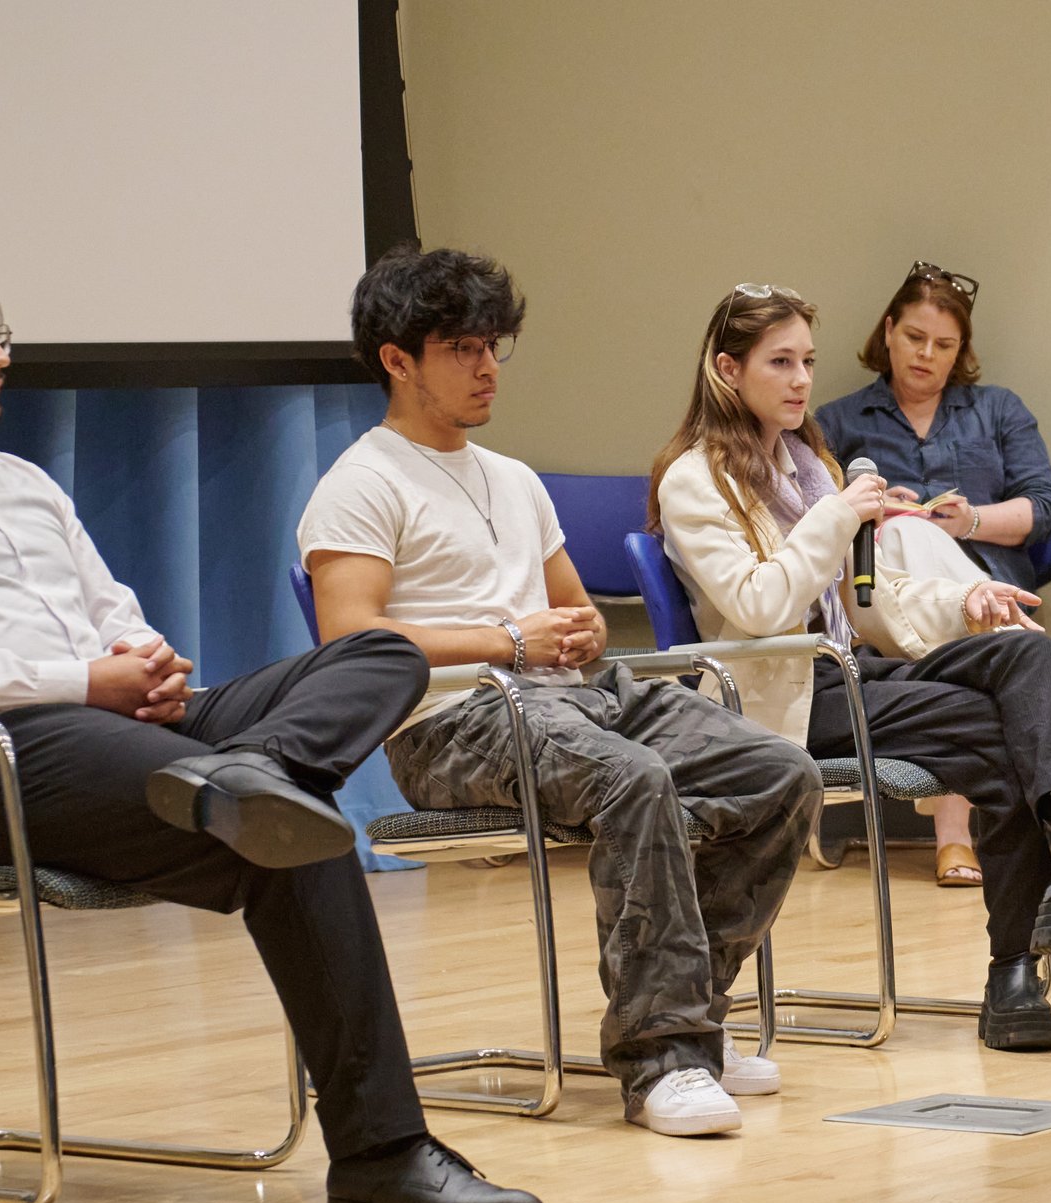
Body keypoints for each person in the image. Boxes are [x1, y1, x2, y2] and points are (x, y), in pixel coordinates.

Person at [0, 251, 539, 1203]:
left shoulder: (22, 482)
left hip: (115, 731)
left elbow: (110, 607)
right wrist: (88, 681)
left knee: (379, 656)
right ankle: (382, 1150)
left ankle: (257, 770)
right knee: (288, 826)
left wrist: (144, 660)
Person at [300, 246, 821, 1138]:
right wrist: (507, 639)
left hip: (579, 692)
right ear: (397, 358)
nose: (487, 366)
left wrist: (572, 629)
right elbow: (350, 638)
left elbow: (571, 608)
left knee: (780, 774)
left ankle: (690, 1011)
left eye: (494, 345)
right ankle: (661, 1059)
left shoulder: (513, 478)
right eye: (463, 348)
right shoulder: (361, 483)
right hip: (452, 723)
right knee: (633, 780)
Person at [649, 285, 1051, 1053]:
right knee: (1006, 731)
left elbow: (869, 600)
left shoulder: (806, 466)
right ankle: (1023, 960)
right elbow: (761, 601)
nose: (802, 380)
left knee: (1022, 651)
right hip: (772, 698)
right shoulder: (695, 479)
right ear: (726, 368)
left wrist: (968, 598)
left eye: (807, 360)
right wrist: (840, 514)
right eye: (779, 362)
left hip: (838, 673)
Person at [818, 263, 1051, 890]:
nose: (927, 355)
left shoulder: (998, 410)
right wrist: (876, 507)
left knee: (952, 584)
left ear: (963, 351)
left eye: (945, 345)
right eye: (915, 338)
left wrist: (970, 521)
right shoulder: (840, 421)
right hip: (886, 599)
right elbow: (812, 518)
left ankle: (959, 840)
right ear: (888, 332)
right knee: (902, 534)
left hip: (987, 575)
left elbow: (1043, 507)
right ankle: (1043, 827)